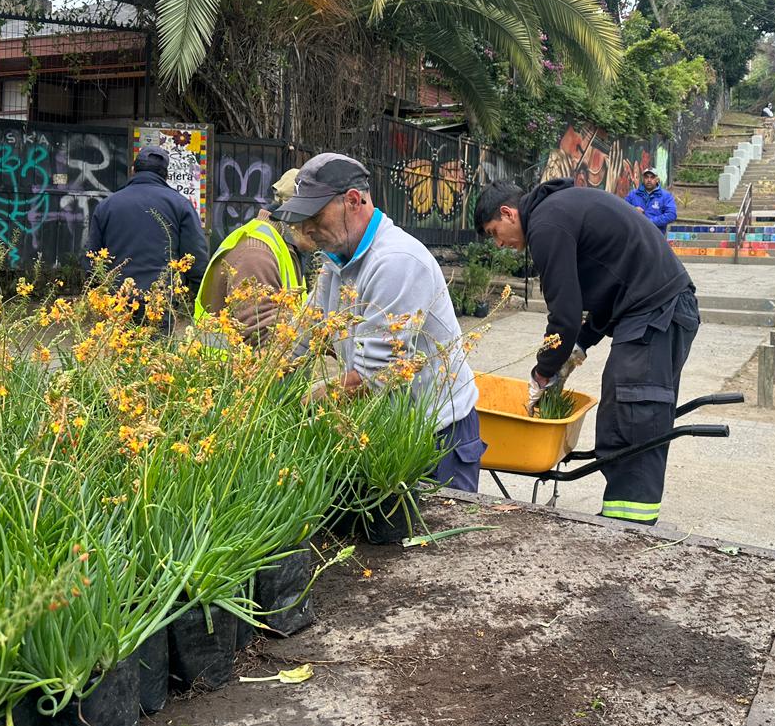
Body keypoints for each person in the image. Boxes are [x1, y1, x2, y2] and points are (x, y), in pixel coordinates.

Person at [474, 179, 700, 526]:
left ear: (508, 212)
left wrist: (543, 371)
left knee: (635, 411)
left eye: (494, 232)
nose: (500, 243)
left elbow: (564, 315)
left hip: (658, 312)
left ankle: (631, 527)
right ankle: (620, 519)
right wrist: (579, 346)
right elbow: (607, 287)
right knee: (619, 412)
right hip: (649, 309)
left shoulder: (546, 223)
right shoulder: (559, 210)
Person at [271, 153, 483, 491]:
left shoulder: (395, 262)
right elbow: (305, 332)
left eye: (314, 215)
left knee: (437, 540)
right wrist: (262, 382)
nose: (306, 228)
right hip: (386, 424)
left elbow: (374, 378)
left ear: (353, 201)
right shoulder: (336, 261)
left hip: (437, 435)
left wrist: (304, 403)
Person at [85, 144, 208, 324]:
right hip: (160, 300)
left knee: (121, 349)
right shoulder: (180, 205)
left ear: (133, 170)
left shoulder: (107, 205)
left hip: (118, 299)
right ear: (165, 175)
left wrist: (98, 292)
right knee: (156, 351)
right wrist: (199, 294)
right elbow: (195, 257)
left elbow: (92, 259)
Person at [194, 168, 306, 342]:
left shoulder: (287, 246)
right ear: (295, 215)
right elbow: (261, 337)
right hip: (228, 366)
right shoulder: (257, 253)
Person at [624, 167, 676, 236]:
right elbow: (623, 209)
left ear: (657, 180)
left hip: (656, 236)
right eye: (646, 177)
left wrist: (650, 221)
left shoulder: (666, 196)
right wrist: (633, 209)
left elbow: (671, 215)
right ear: (643, 179)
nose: (649, 180)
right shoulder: (633, 194)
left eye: (652, 177)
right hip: (636, 235)